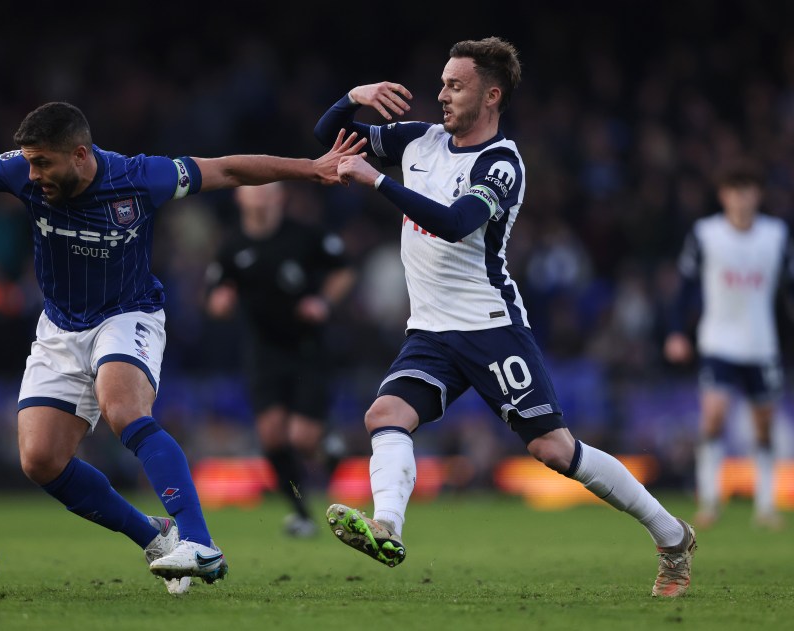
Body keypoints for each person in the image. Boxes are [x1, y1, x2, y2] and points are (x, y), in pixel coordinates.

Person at [0, 101, 365, 594]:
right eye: (29, 163)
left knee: (121, 408)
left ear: (80, 155)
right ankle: (154, 536)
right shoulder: (20, 169)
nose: (32, 176)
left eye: (43, 164)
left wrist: (311, 169)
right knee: (39, 460)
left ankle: (201, 542)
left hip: (127, 314)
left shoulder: (140, 178)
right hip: (59, 327)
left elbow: (226, 168)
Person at [313, 37, 697, 597]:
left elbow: (454, 222)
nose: (441, 94)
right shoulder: (418, 139)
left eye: (455, 85)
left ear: (491, 95)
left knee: (554, 450)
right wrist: (354, 96)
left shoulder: (502, 164)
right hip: (430, 331)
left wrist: (378, 181)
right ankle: (387, 527)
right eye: (442, 82)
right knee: (384, 414)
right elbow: (329, 138)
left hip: (490, 326)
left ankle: (672, 537)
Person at [204, 182, 355, 537]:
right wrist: (220, 302)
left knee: (301, 438)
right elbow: (213, 294)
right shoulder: (232, 247)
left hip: (307, 348)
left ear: (279, 196)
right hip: (263, 351)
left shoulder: (304, 236)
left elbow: (344, 269)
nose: (259, 195)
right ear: (239, 197)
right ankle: (301, 511)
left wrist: (324, 303)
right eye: (251, 189)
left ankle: (325, 443)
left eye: (266, 189)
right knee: (272, 437)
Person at [664, 160, 789, 531]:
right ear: (723, 196)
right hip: (718, 340)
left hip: (761, 343)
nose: (741, 197)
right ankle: (709, 500)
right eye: (734, 190)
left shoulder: (776, 235)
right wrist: (676, 332)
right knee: (714, 416)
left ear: (758, 194)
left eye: (748, 189)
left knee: (763, 426)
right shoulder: (706, 234)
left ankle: (766, 505)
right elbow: (684, 288)